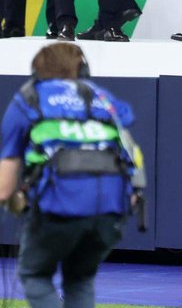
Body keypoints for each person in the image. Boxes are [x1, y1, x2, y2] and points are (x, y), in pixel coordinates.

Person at [0, 43, 143, 308]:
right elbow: (132, 154)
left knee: (35, 274)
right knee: (80, 279)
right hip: (110, 209)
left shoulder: (29, 98)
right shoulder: (102, 98)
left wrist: (16, 202)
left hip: (57, 206)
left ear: (37, 72)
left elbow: (4, 189)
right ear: (83, 69)